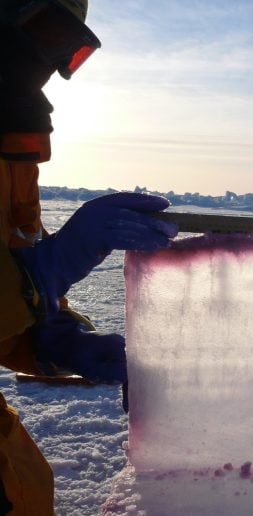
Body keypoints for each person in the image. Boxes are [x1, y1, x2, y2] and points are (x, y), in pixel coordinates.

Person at [0, 0, 177, 513]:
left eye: (68, 47)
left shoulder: (11, 146)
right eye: (46, 29)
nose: (49, 62)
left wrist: (54, 338)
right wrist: (42, 271)